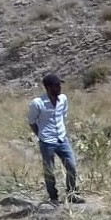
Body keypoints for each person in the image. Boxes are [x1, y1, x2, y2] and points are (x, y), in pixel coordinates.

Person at [28, 74, 85, 205]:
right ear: (48, 87)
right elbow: (31, 121)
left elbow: (63, 115)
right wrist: (41, 135)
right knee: (49, 170)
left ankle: (72, 194)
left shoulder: (63, 99)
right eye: (56, 85)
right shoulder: (38, 103)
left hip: (62, 138)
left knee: (72, 166)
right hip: (47, 141)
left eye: (60, 84)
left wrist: (62, 131)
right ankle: (53, 197)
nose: (60, 87)